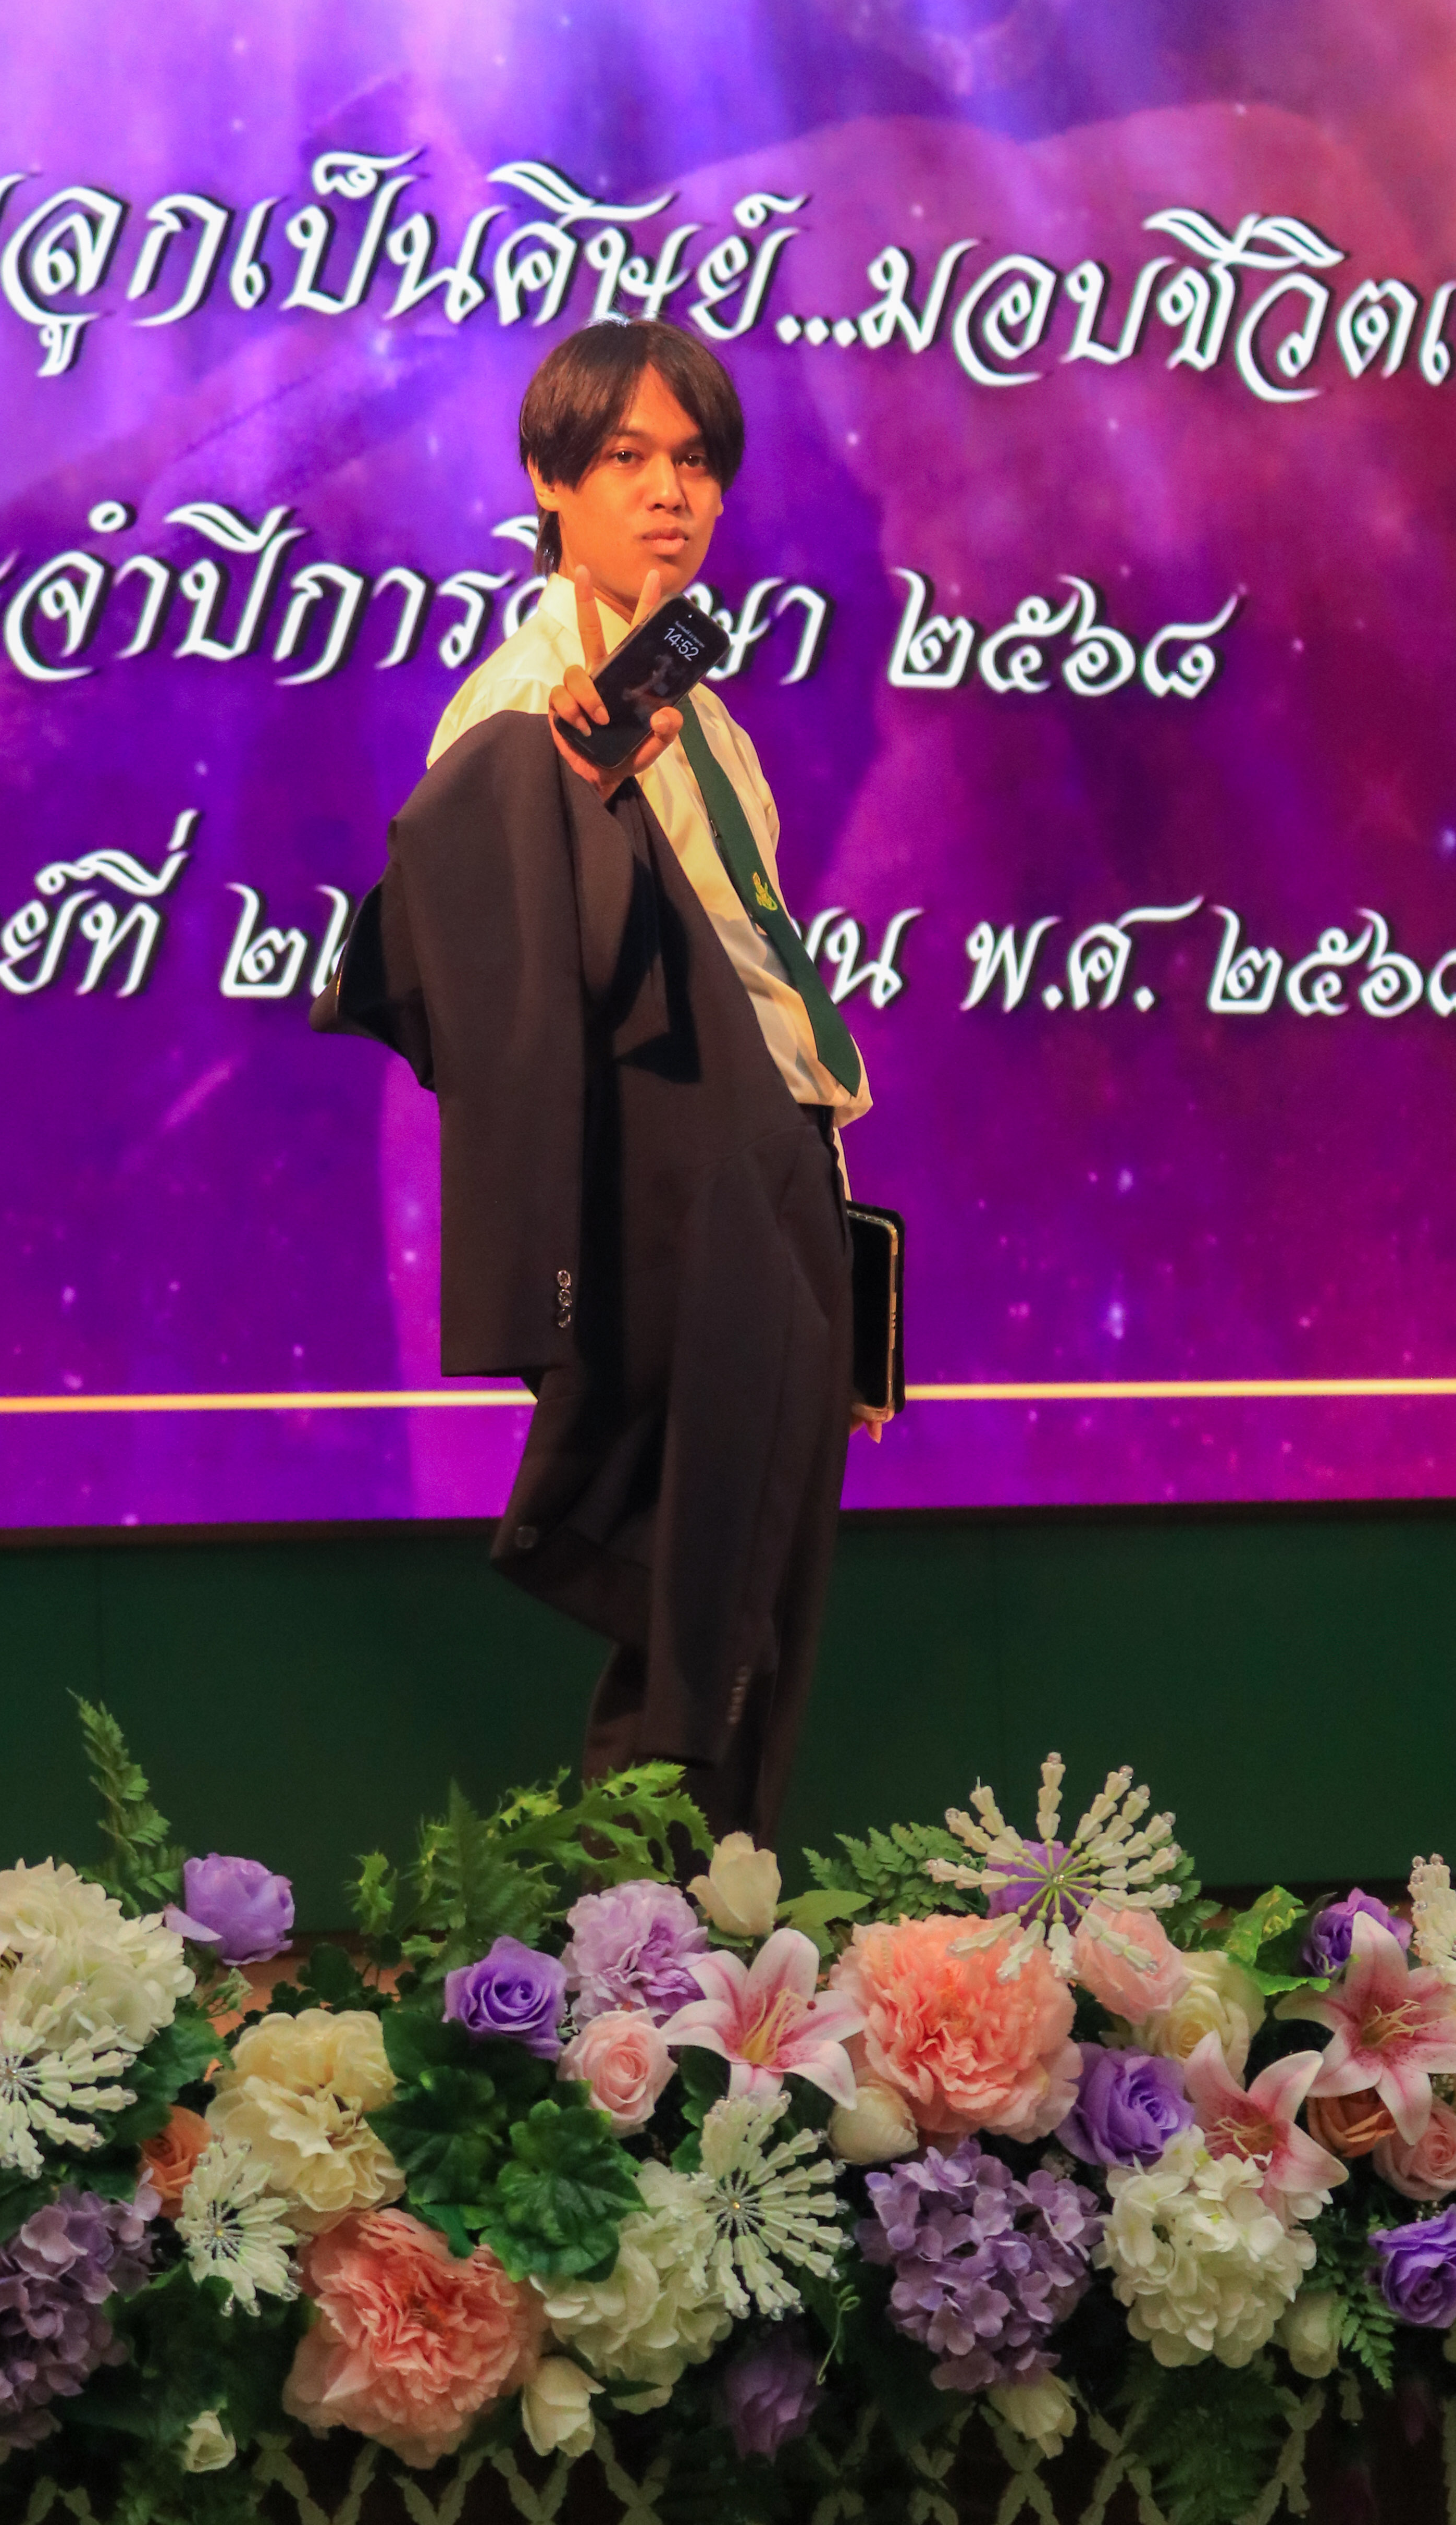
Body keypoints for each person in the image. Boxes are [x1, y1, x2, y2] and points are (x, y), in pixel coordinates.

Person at [316, 322, 881, 1843]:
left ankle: (718, 1925)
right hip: (670, 1189)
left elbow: (755, 972)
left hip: (777, 1160)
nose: (667, 493)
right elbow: (468, 969)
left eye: (693, 461)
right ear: (547, 480)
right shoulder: (527, 708)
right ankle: (646, 1947)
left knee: (758, 1599)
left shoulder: (703, 710)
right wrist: (575, 800)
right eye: (626, 457)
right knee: (696, 1611)